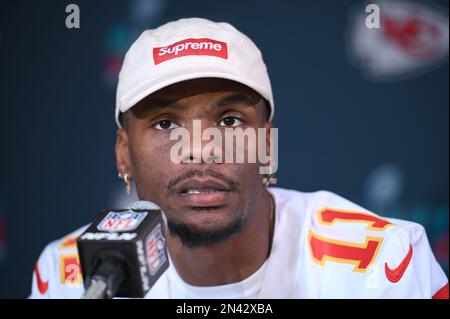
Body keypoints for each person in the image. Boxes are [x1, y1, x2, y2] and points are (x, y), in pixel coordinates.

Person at [30, 17, 448, 299]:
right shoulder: (73, 275)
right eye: (164, 123)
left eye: (230, 121)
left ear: (268, 147)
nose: (201, 147)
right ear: (124, 154)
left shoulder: (383, 265)